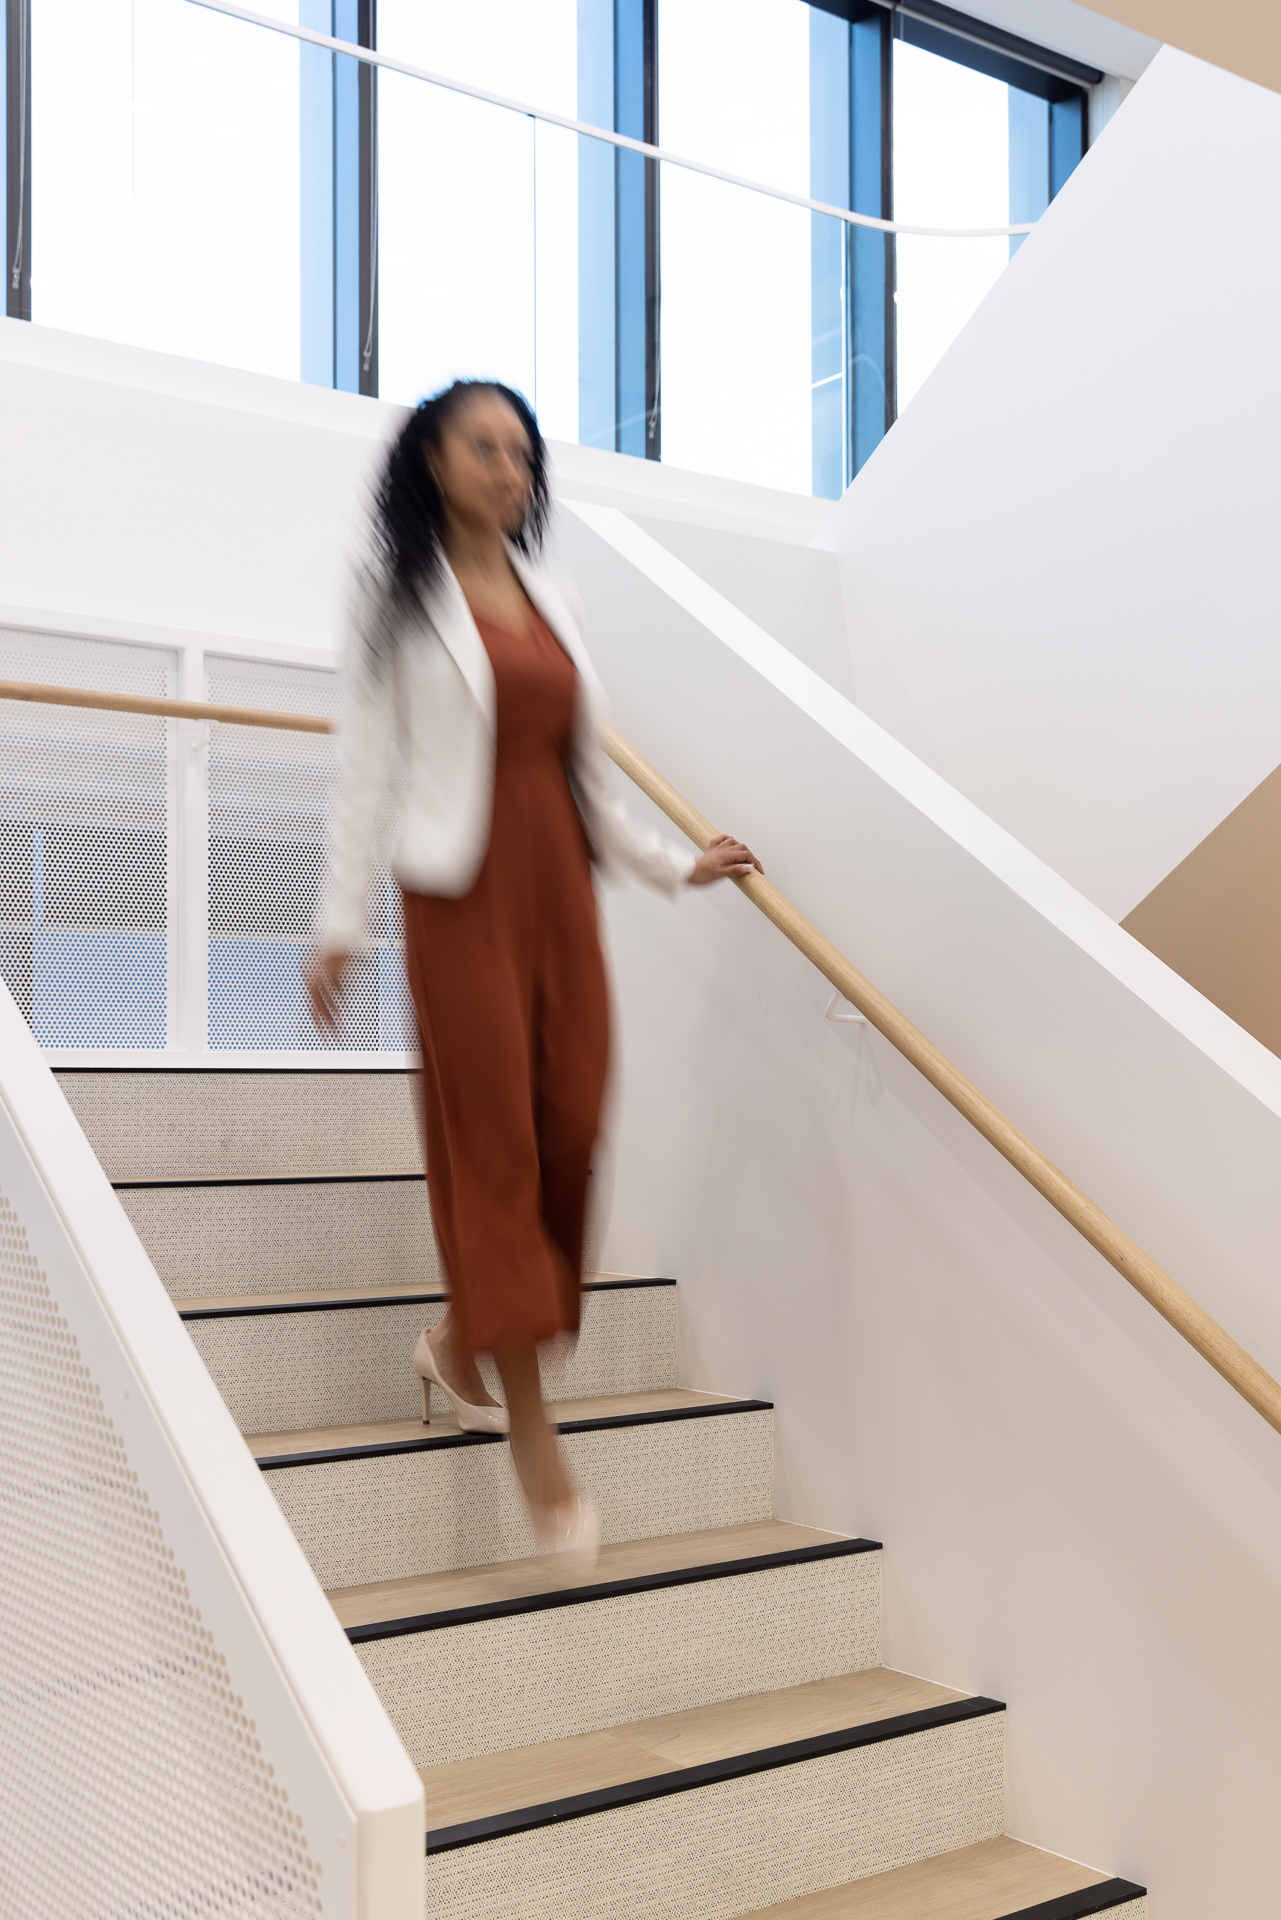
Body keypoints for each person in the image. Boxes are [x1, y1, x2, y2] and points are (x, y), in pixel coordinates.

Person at [305, 380, 760, 1574]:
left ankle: (462, 1344)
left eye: (522, 450)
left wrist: (678, 865)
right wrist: (336, 922)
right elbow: (365, 767)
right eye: (483, 446)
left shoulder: (552, 595)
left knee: (573, 1122)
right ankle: (533, 1434)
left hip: (557, 881)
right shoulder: (391, 597)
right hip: (455, 894)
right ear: (433, 459)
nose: (509, 467)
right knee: (498, 1140)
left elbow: (587, 773)